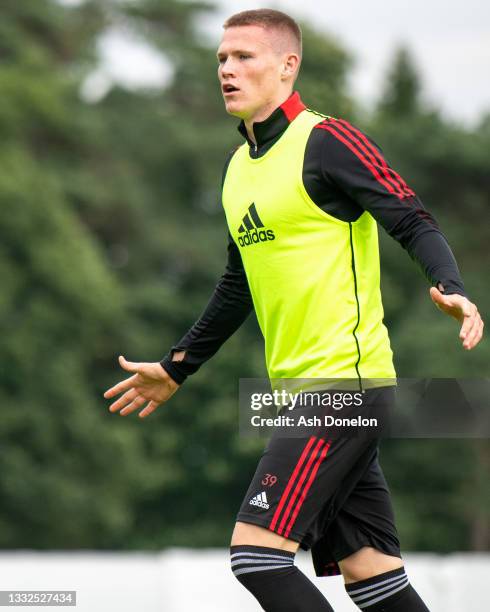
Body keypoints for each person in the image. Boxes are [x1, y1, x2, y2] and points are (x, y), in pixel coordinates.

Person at [104, 9, 484, 611]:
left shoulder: (328, 140)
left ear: (288, 66)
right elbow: (239, 285)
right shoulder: (237, 171)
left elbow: (410, 216)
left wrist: (449, 282)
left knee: (256, 555)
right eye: (221, 59)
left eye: (244, 57)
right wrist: (177, 367)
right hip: (300, 394)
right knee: (374, 578)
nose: (227, 69)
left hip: (341, 389)